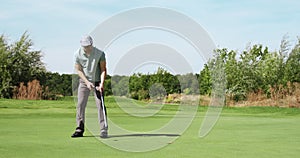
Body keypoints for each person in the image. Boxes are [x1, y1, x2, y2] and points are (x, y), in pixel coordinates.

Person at [71, 35, 108, 138]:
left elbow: (103, 69)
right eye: (84, 46)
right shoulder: (77, 54)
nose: (86, 48)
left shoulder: (100, 53)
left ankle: (103, 130)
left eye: (88, 46)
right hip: (84, 81)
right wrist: (87, 82)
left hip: (97, 81)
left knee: (100, 104)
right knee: (80, 104)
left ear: (92, 44)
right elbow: (79, 70)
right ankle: (79, 128)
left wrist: (101, 83)